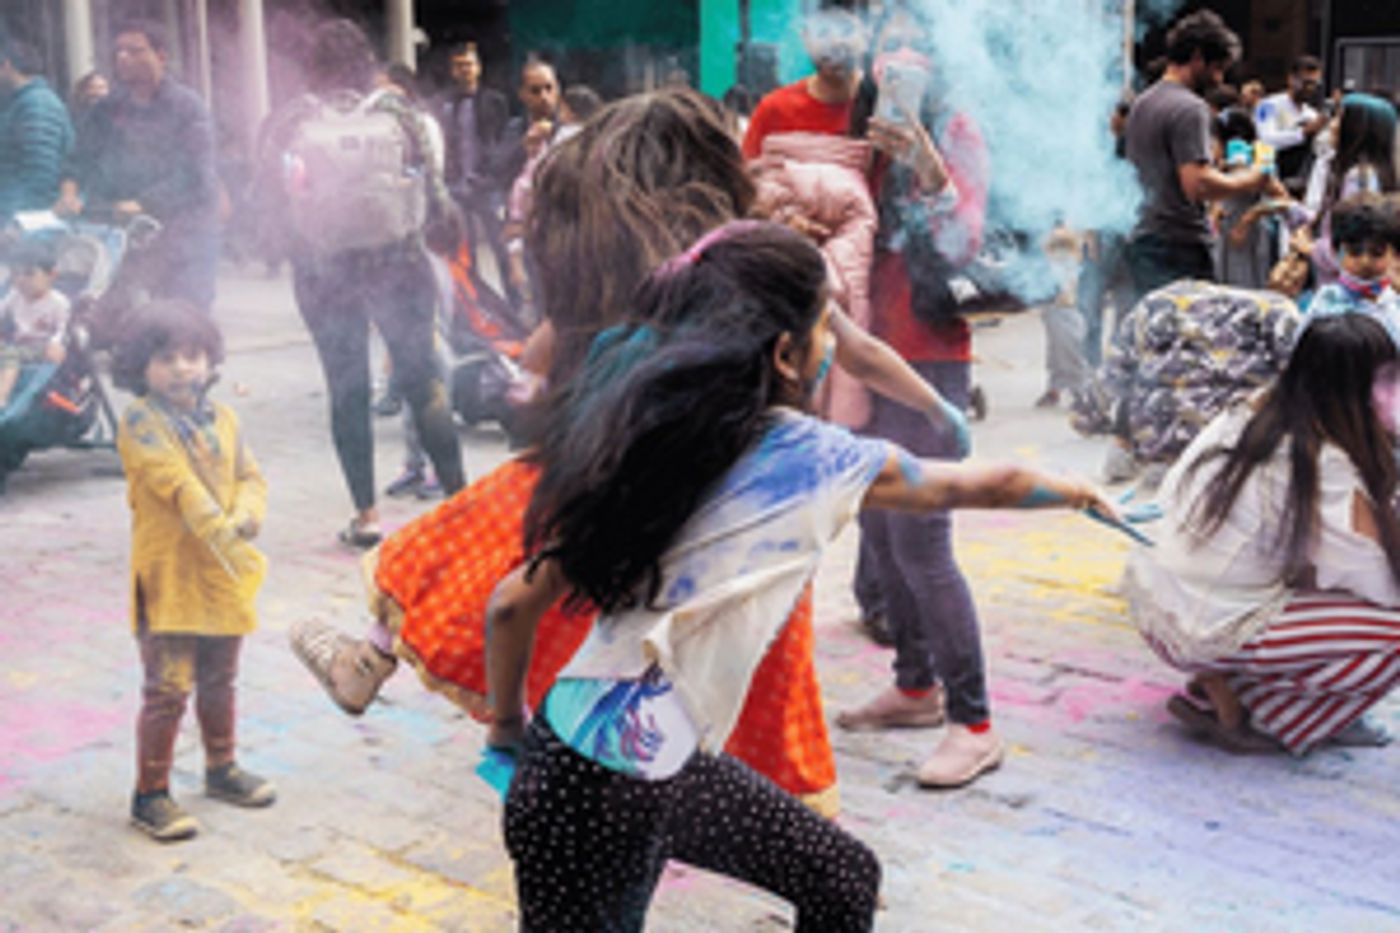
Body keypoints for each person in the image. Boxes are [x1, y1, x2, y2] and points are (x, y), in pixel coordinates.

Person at [290, 87, 968, 817]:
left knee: (477, 531)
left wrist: (528, 373)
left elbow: (546, 354)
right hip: (742, 509)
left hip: (636, 489)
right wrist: (938, 411)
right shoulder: (760, 265)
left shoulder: (638, 279)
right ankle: (811, 835)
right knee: (768, 670)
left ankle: (374, 656)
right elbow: (857, 348)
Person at [483, 222, 1120, 931]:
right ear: (787, 354)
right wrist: (1079, 491)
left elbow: (511, 604)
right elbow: (976, 485)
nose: (833, 354)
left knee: (835, 874)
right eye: (826, 335)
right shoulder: (811, 455)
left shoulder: (652, 443)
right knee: (842, 877)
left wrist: (507, 730)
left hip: (558, 768)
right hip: (633, 775)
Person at [832, 4, 1000, 790]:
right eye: (887, 43)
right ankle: (914, 684)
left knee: (922, 545)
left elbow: (965, 240)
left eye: (914, 45)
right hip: (865, 358)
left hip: (930, 360)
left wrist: (929, 163)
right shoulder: (861, 137)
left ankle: (974, 722)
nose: (896, 56)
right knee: (877, 525)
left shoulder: (958, 130)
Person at [1124, 314, 1400, 754]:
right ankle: (1262, 716)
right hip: (1204, 623)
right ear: (1354, 392)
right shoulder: (1319, 460)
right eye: (1385, 382)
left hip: (1159, 597)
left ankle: (1217, 682)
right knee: (1391, 631)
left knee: (1309, 572)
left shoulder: (1254, 409)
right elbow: (1379, 583)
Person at [253, 19, 465, 547]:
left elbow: (266, 201)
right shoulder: (399, 113)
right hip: (399, 262)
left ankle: (367, 518)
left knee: (346, 389)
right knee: (423, 381)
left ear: (313, 67)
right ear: (368, 63)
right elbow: (437, 196)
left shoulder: (289, 119)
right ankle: (460, 505)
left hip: (325, 271)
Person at [110, 301, 274, 842]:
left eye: (192, 356)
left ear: (210, 360)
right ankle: (150, 794)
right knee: (167, 687)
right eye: (165, 358)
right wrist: (217, 524)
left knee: (220, 677)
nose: (182, 368)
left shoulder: (224, 417)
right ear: (140, 365)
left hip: (222, 574)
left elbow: (250, 474)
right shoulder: (139, 421)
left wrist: (247, 515)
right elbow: (173, 481)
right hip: (170, 578)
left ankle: (221, 768)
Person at [57, 20, 221, 311]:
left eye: (135, 50)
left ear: (161, 56)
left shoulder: (187, 107)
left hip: (184, 237)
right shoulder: (108, 108)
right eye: (119, 51)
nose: (123, 58)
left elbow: (197, 176)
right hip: (124, 236)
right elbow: (79, 156)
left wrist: (144, 203)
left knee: (183, 322)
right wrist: (68, 191)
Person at [1073, 279, 1300, 488]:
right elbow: (1305, 376)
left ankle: (1152, 460)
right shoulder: (1276, 309)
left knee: (1141, 376)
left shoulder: (1154, 303)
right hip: (1235, 446)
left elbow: (1113, 373)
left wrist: (1087, 419)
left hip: (1162, 446)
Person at [1123, 10, 1282, 301]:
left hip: (1144, 237)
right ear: (1197, 57)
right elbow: (1198, 185)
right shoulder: (1190, 108)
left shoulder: (1143, 102)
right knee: (1191, 339)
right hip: (1177, 244)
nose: (1220, 79)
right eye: (1218, 68)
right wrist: (1252, 180)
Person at [1288, 93, 1398, 292]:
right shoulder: (1363, 173)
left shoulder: (1359, 179)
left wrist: (1310, 248)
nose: (1332, 125)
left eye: (1339, 118)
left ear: (1357, 129)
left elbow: (1354, 245)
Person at [439, 41, 515, 307]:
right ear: (452, 71)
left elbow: (504, 142)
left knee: (502, 250)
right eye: (459, 66)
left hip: (488, 187)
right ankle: (476, 313)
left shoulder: (495, 101)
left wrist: (493, 176)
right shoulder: (444, 103)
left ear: (479, 68)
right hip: (456, 189)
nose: (465, 70)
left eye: (469, 65)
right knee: (464, 255)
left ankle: (515, 306)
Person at [741, 9, 865, 160]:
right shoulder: (775, 108)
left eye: (846, 30)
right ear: (806, 39)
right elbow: (744, 175)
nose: (836, 42)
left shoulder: (882, 102)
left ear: (865, 36)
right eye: (823, 32)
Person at [0, 35, 75, 223]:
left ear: (6, 66)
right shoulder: (17, 104)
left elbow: (40, 177)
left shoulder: (37, 104)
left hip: (25, 232)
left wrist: (15, 225)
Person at [1305, 193, 1400, 340]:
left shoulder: (1394, 305)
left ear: (1393, 255)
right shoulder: (1326, 303)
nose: (1365, 262)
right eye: (1355, 252)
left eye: (1377, 253)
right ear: (1336, 252)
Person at [1213, 106, 1287, 289]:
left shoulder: (1259, 162)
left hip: (1249, 233)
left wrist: (1250, 218)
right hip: (1224, 231)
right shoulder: (1218, 162)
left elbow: (1283, 200)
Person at [0, 240, 68, 415]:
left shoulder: (58, 303)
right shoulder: (15, 295)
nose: (20, 280)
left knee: (9, 356)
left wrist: (56, 343)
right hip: (17, 344)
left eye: (29, 274)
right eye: (15, 274)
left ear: (51, 275)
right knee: (8, 351)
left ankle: (2, 399)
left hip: (41, 348)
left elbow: (62, 329)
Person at [1254, 56, 1328, 191]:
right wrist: (1303, 133)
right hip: (1272, 180)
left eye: (1315, 84)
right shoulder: (1269, 105)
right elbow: (1266, 140)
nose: (1310, 88)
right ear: (1291, 79)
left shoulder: (1311, 114)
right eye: (1306, 83)